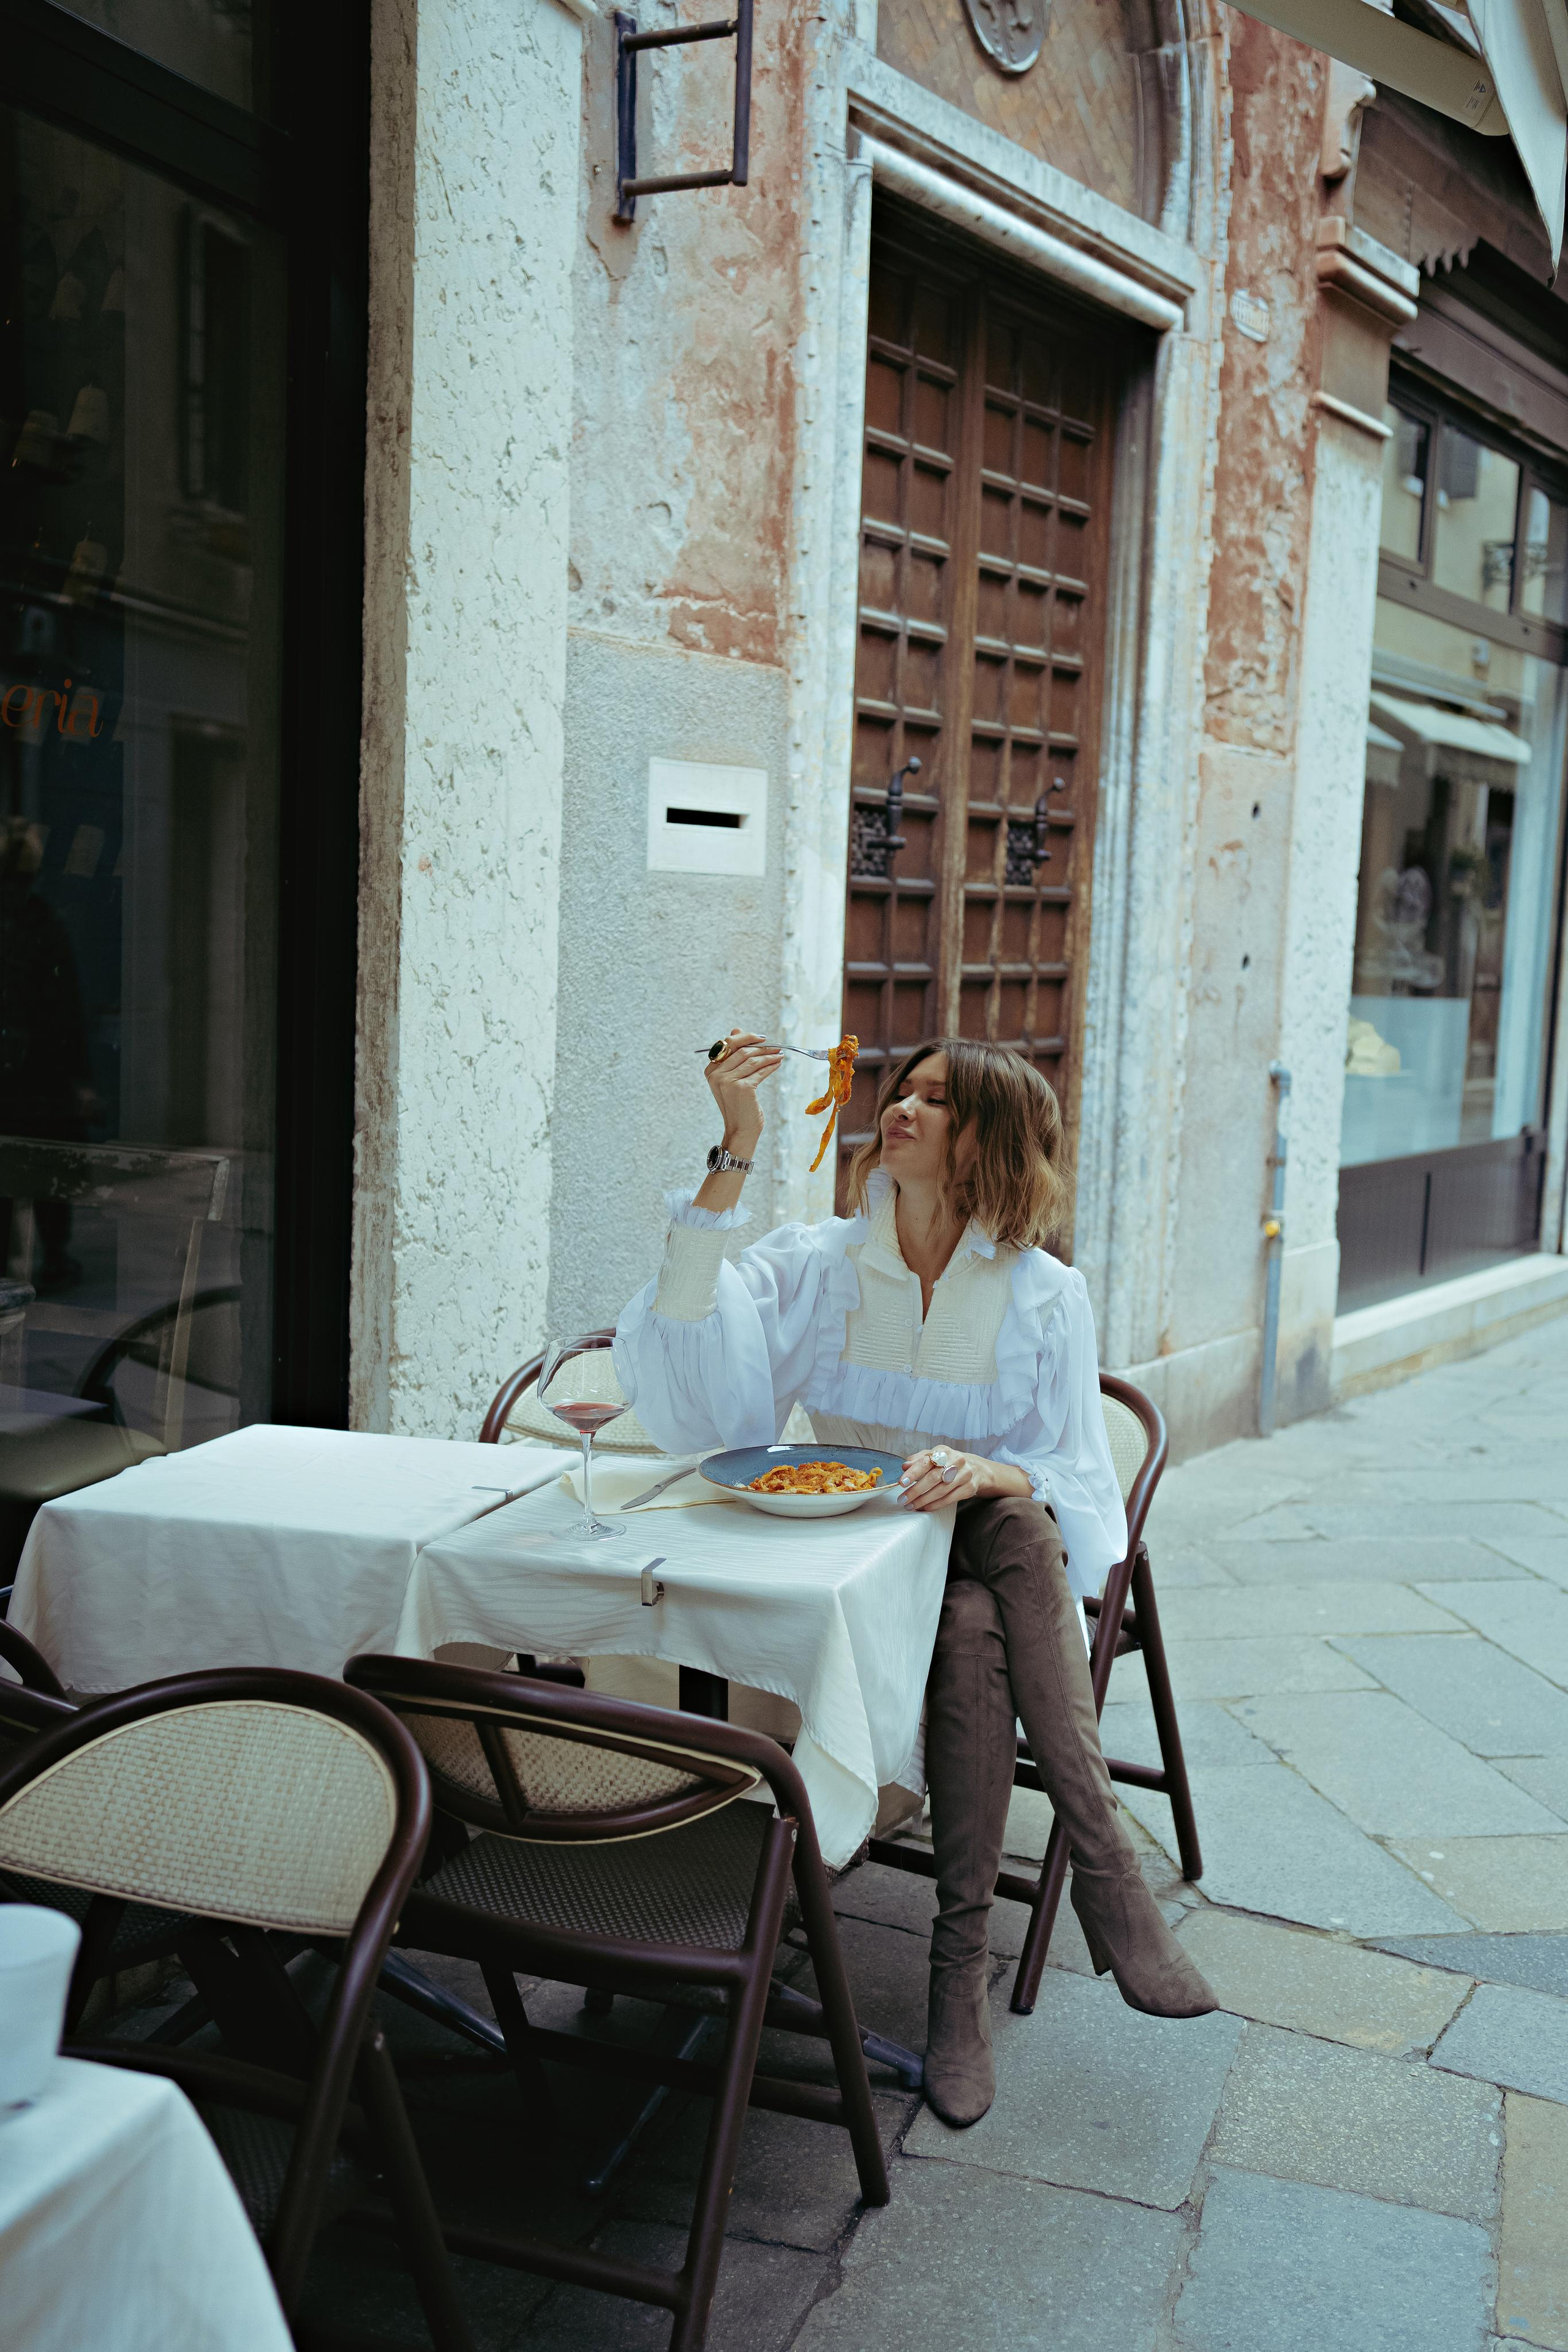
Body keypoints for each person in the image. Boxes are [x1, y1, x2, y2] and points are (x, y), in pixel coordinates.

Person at [614, 1030, 1216, 2129]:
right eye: (906, 1091)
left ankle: (968, 1972)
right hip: (856, 1555)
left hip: (983, 1545)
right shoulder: (823, 1263)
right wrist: (737, 1143)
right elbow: (687, 1326)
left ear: (991, 1139)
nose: (903, 1107)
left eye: (940, 1101)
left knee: (1010, 1535)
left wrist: (984, 1471)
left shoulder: (1042, 1293)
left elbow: (1079, 1473)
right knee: (976, 1613)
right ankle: (1091, 1879)